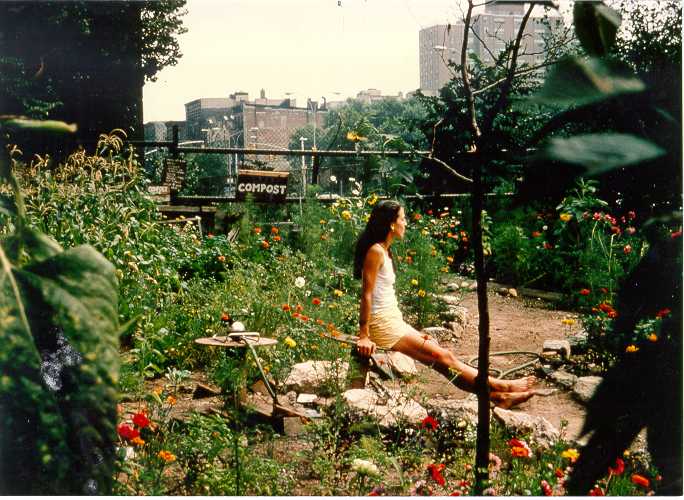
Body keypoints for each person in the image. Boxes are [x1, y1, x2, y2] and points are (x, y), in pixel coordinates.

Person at [354, 200, 539, 409]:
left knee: (443, 357)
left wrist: (412, 330)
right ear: (391, 224)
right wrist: (364, 335)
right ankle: (502, 387)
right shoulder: (375, 251)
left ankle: (498, 398)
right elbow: (367, 295)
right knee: (443, 357)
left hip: (391, 321)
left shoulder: (385, 251)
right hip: (382, 325)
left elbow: (384, 297)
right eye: (403, 218)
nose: (406, 223)